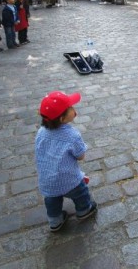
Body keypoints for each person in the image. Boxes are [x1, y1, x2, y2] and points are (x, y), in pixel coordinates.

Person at [35, 91, 98, 232]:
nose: (75, 110)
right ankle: (84, 210)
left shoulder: (41, 132)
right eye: (72, 109)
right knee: (81, 193)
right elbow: (80, 156)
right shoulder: (72, 135)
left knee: (52, 201)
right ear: (62, 118)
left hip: (47, 179)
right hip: (69, 178)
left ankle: (55, 221)